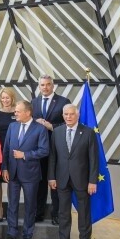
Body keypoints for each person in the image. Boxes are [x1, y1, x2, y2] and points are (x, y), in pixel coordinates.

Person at [48, 104, 98, 239]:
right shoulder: (56, 132)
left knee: (83, 213)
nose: (68, 117)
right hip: (61, 179)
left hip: (82, 180)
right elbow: (52, 157)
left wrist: (92, 181)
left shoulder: (88, 132)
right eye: (66, 114)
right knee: (63, 213)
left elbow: (93, 160)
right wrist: (51, 177)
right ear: (62, 115)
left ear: (77, 115)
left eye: (71, 114)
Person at [2, 101, 49, 239]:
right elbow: (6, 148)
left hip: (31, 175)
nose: (14, 113)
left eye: (17, 111)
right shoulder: (12, 126)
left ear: (28, 113)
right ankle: (11, 234)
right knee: (12, 205)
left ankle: (28, 237)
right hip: (13, 173)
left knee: (30, 206)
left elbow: (44, 150)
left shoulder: (40, 129)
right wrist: (5, 168)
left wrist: (25, 155)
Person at [32, 75, 71, 226]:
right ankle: (38, 213)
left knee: (56, 183)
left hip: (57, 147)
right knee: (40, 182)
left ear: (53, 85)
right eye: (42, 85)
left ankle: (57, 215)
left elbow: (68, 123)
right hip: (39, 148)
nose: (45, 87)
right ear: (39, 86)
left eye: (48, 84)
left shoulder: (63, 102)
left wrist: (51, 126)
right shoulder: (34, 102)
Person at [0, 87, 17, 221]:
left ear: (12, 98)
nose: (5, 100)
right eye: (3, 97)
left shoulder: (18, 112)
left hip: (15, 150)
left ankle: (12, 210)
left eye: (7, 97)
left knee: (13, 181)